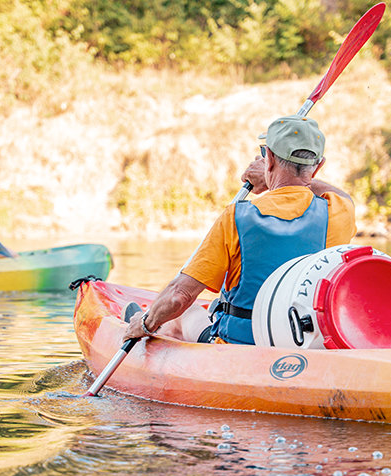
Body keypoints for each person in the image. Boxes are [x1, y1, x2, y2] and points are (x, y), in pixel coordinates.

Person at [123, 115, 357, 345]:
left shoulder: (236, 216)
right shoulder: (339, 211)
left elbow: (177, 297)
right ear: (319, 166)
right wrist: (286, 178)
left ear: (270, 158)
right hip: (303, 342)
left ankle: (155, 331)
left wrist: (145, 323)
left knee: (185, 312)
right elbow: (342, 196)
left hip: (240, 349)